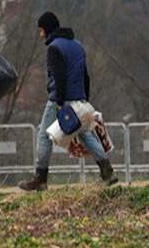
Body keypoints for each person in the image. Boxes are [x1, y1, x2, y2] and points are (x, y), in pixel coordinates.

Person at [18, 12, 118, 191]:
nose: (41, 34)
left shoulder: (54, 48)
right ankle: (108, 171)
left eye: (41, 30)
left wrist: (59, 103)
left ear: (46, 29)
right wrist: (85, 99)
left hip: (60, 99)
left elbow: (58, 78)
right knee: (85, 134)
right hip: (79, 100)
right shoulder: (78, 46)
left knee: (44, 136)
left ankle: (40, 178)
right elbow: (85, 76)